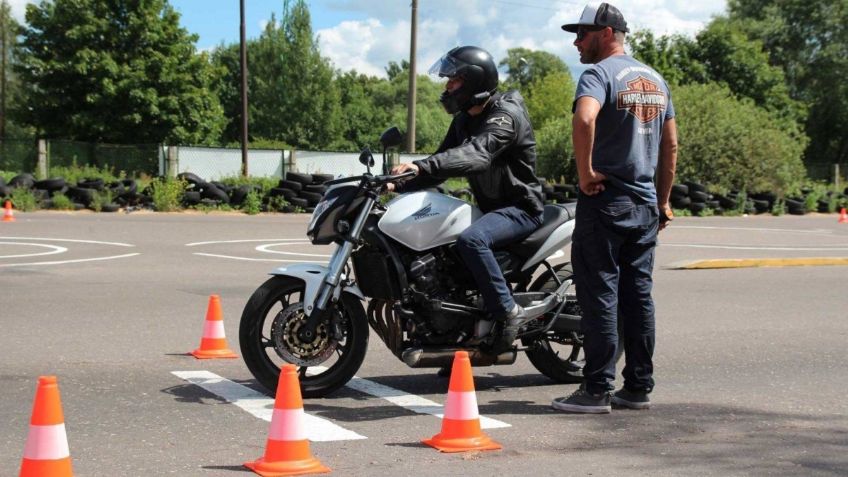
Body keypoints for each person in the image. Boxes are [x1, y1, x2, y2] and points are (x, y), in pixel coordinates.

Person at [551, 3, 678, 413]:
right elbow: (670, 144)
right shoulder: (656, 80)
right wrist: (663, 200)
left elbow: (585, 119)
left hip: (605, 203)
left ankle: (595, 390)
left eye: (582, 34)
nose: (576, 41)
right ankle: (638, 387)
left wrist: (585, 172)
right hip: (643, 207)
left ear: (607, 33)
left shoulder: (598, 74)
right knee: (638, 298)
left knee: (599, 295)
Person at [387, 45, 545, 352]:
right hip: (489, 209)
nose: (447, 87)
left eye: (453, 81)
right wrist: (399, 183)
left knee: (471, 240)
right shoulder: (463, 120)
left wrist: (421, 165)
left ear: (473, 82)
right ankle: (453, 336)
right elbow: (442, 162)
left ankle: (507, 312)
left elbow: (477, 154)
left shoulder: (505, 116)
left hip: (520, 209)